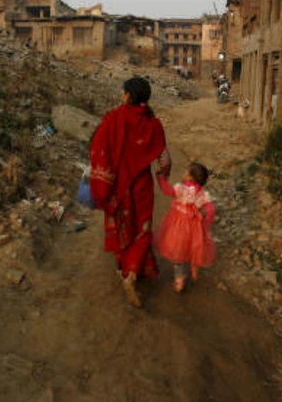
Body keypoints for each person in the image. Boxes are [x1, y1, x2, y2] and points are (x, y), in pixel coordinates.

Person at [89, 77, 171, 308]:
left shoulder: (113, 119)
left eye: (123, 92)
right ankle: (133, 274)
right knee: (142, 229)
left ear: (128, 95)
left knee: (122, 224)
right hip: (142, 185)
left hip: (118, 187)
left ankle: (123, 268)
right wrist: (162, 175)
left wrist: (99, 179)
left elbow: (98, 148)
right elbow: (164, 158)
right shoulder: (153, 124)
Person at [154, 162, 216, 293]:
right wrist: (206, 222)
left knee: (179, 254)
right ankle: (194, 266)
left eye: (186, 172)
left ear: (190, 177)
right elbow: (210, 209)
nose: (183, 174)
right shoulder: (201, 193)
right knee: (193, 248)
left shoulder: (182, 189)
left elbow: (167, 190)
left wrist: (161, 179)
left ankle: (179, 280)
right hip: (194, 227)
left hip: (179, 227)